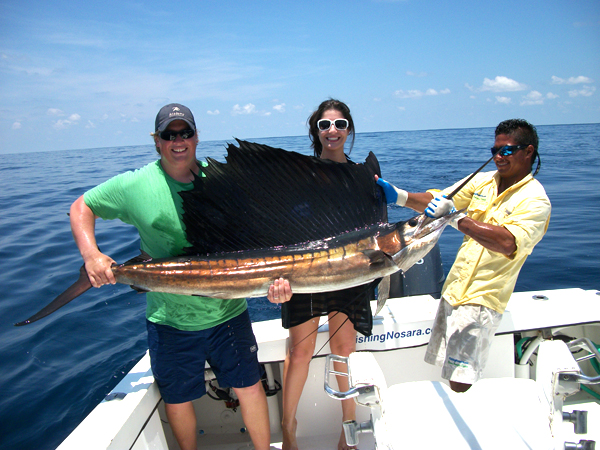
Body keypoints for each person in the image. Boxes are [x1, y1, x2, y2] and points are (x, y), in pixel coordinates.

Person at [69, 103, 271, 450]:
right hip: (169, 321)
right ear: (157, 141)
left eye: (185, 132)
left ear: (196, 137)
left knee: (250, 385)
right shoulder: (135, 185)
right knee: (177, 399)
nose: (178, 140)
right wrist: (92, 255)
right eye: (169, 134)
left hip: (228, 314)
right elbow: (81, 207)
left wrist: (273, 283)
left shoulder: (221, 180)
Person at [376, 118, 551, 393]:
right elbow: (438, 200)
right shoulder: (484, 182)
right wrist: (398, 196)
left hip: (482, 300)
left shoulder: (535, 200)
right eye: (494, 150)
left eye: (506, 150)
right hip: (454, 291)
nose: (497, 157)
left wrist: (455, 218)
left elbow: (507, 242)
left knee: (460, 382)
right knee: (445, 370)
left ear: (528, 151)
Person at [268, 99, 382, 450]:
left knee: (343, 351)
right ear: (315, 131)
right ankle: (289, 428)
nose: (332, 130)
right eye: (325, 125)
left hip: (351, 274)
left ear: (348, 130)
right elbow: (282, 226)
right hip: (306, 273)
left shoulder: (365, 174)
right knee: (299, 353)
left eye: (340, 124)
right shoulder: (300, 174)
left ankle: (347, 434)